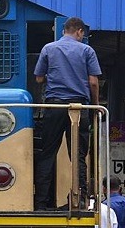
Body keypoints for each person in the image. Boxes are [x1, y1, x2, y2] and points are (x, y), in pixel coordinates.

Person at [32, 17, 102, 210]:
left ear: (64, 30)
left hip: (54, 107)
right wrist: (95, 106)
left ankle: (40, 203)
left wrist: (54, 76)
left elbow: (38, 78)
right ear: (79, 31)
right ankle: (80, 199)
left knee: (47, 153)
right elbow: (93, 82)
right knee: (78, 155)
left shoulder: (48, 48)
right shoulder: (87, 50)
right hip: (79, 108)